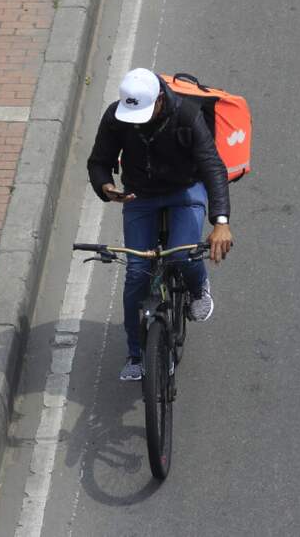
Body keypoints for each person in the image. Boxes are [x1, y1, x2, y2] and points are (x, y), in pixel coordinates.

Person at [87, 68, 233, 381]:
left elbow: (213, 167)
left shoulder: (188, 116)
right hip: (140, 195)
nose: (134, 120)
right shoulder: (116, 117)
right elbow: (98, 161)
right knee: (136, 274)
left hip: (185, 191)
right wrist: (105, 187)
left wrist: (220, 221)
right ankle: (137, 354)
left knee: (183, 255)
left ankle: (197, 287)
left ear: (159, 102)